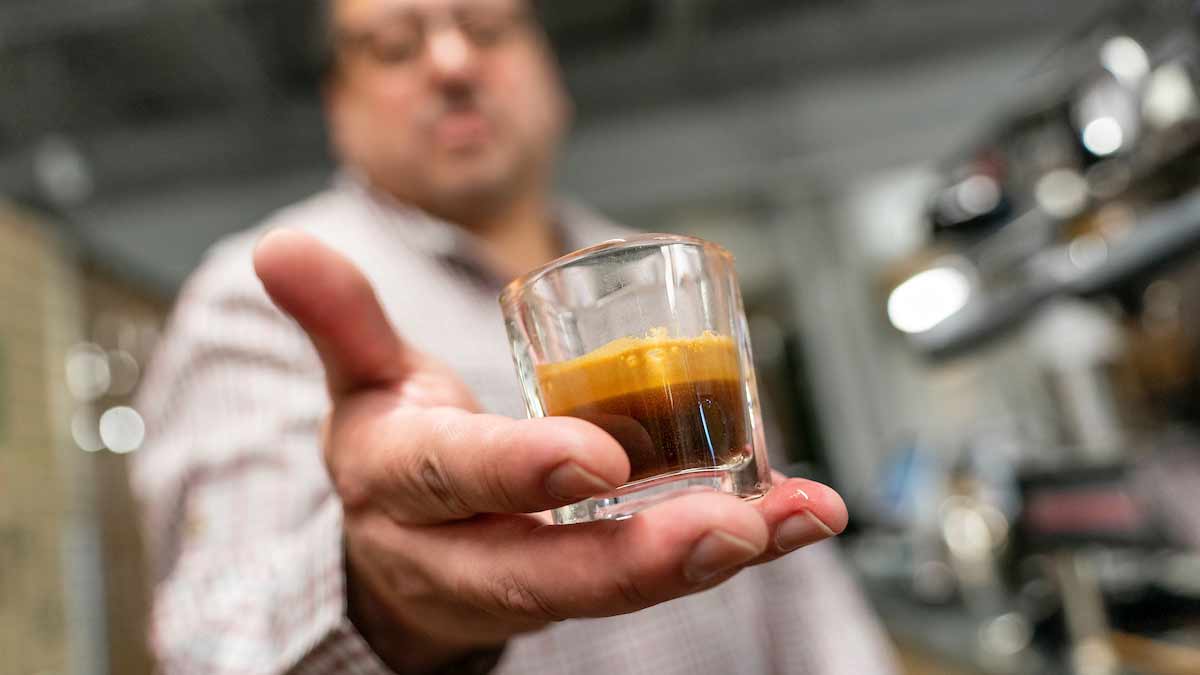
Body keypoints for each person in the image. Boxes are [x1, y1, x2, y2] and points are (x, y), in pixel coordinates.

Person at [131, 0, 898, 672]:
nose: (453, 62)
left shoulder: (672, 274)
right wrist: (386, 607)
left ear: (545, 64)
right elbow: (210, 641)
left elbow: (801, 597)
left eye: (488, 27)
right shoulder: (256, 296)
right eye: (396, 45)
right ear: (339, 102)